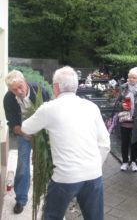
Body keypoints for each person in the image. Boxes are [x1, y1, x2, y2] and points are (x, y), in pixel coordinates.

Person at [21, 66, 110, 220]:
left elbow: (26, 127)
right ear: (75, 86)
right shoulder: (92, 107)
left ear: (56, 87)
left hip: (65, 176)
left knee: (51, 216)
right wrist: (93, 165)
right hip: (93, 173)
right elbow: (105, 144)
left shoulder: (49, 108)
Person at [3, 70, 50, 214]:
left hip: (43, 132)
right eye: (14, 89)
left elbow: (50, 114)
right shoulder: (9, 99)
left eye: (20, 87)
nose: (18, 91)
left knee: (45, 164)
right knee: (23, 165)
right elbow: (13, 124)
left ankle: (46, 196)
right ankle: (21, 199)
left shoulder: (40, 91)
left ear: (25, 82)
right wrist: (25, 133)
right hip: (23, 132)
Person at [118, 67, 137, 172]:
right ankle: (125, 162)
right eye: (130, 77)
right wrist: (121, 104)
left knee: (135, 142)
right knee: (125, 142)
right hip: (125, 120)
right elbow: (116, 102)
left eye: (134, 78)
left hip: (136, 121)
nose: (131, 80)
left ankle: (134, 162)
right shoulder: (123, 87)